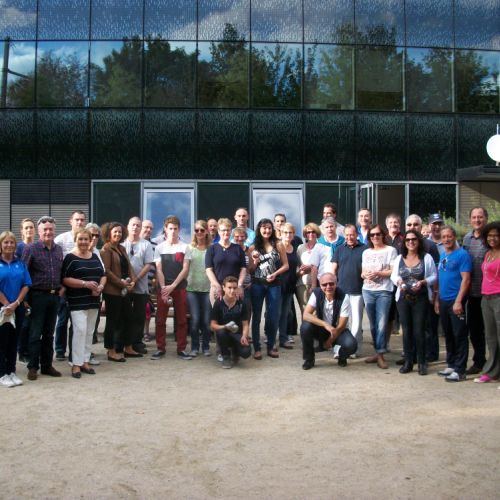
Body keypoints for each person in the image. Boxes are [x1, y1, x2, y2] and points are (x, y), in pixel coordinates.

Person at [21, 216, 64, 380]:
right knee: (35, 333)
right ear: (39, 232)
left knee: (49, 333)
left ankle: (47, 366)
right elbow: (24, 273)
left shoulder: (59, 249)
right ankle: (33, 366)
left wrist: (61, 288)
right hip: (37, 296)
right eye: (45, 229)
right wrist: (25, 299)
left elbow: (61, 271)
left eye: (50, 229)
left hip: (54, 297)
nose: (48, 232)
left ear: (54, 231)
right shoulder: (31, 249)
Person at [390, 230, 436, 375]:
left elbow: (434, 276)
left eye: (414, 239)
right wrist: (399, 281)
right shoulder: (399, 258)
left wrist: (423, 282)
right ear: (404, 242)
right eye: (408, 240)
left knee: (419, 330)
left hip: (420, 298)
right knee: (407, 331)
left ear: (418, 241)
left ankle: (422, 362)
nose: (411, 242)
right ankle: (408, 361)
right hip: (403, 298)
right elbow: (393, 276)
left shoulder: (426, 257)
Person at [62, 229, 106, 379]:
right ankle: (76, 363)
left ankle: (85, 361)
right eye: (80, 239)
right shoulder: (70, 258)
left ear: (90, 240)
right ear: (75, 240)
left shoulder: (95, 256)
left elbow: (103, 275)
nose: (83, 242)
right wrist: (85, 284)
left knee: (89, 332)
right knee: (79, 331)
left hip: (94, 300)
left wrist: (101, 286)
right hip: (77, 301)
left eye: (86, 239)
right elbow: (65, 279)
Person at [151, 215, 192, 361]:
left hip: (180, 288)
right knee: (160, 320)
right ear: (165, 229)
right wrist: (164, 288)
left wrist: (173, 285)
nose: (173, 231)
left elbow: (185, 269)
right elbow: (159, 269)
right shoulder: (159, 248)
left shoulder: (185, 247)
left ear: (179, 229)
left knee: (182, 320)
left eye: (175, 228)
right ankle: (160, 348)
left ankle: (181, 349)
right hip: (163, 288)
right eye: (170, 228)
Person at [434, 226, 471, 383]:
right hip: (443, 300)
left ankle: (460, 370)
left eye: (449, 236)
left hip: (456, 301)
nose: (446, 239)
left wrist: (458, 301)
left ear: (454, 237)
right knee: (448, 334)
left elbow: (466, 279)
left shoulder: (462, 255)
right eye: (444, 237)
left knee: (459, 335)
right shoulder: (443, 254)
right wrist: (437, 300)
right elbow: (441, 279)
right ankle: (451, 364)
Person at [248, 218, 289, 360]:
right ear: (259, 229)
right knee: (256, 317)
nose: (267, 230)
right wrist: (255, 262)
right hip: (257, 284)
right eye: (264, 228)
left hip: (275, 284)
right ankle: (257, 348)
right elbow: (250, 270)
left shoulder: (279, 244)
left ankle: (271, 346)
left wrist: (275, 274)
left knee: (273, 316)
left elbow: (286, 265)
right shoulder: (253, 247)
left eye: (269, 228)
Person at [300, 272, 357, 370]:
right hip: (322, 329)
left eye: (331, 284)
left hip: (338, 330)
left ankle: (342, 355)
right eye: (324, 284)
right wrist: (325, 324)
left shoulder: (344, 297)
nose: (328, 287)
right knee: (305, 327)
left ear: (336, 283)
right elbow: (305, 315)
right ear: (320, 285)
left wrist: (329, 342)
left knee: (351, 345)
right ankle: (309, 359)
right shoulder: (316, 294)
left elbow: (342, 325)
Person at [100, 222, 139, 362]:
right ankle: (111, 351)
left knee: (129, 318)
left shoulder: (121, 248)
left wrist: (133, 281)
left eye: (120, 232)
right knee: (113, 321)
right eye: (115, 232)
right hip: (112, 291)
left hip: (124, 290)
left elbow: (129, 267)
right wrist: (120, 282)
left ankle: (127, 348)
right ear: (108, 233)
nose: (118, 234)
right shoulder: (106, 249)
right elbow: (106, 271)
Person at [405, 214, 440, 362]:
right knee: (412, 326)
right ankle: (412, 354)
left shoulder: (430, 245)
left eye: (415, 224)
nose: (412, 227)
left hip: (426, 293)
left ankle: (430, 354)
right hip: (408, 295)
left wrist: (435, 294)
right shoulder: (404, 244)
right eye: (409, 225)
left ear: (421, 226)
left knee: (428, 325)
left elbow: (436, 271)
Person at [361, 224, 397, 369]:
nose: (375, 237)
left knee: (382, 323)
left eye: (377, 234)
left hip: (384, 291)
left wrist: (378, 273)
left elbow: (393, 271)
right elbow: (362, 272)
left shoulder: (390, 250)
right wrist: (365, 275)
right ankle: (377, 352)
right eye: (372, 235)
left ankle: (380, 355)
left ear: (383, 235)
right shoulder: (366, 252)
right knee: (373, 324)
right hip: (368, 290)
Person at [54, 210, 87, 362]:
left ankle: (75, 351)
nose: (79, 222)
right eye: (77, 219)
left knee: (77, 322)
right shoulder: (61, 239)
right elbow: (55, 262)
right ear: (70, 221)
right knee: (62, 319)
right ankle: (60, 350)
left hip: (80, 286)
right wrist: (60, 285)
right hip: (63, 285)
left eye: (82, 220)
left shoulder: (86, 238)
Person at [0, 231, 31, 387]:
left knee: (14, 340)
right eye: (6, 242)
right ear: (0, 245)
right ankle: (2, 373)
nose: (9, 245)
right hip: (2, 308)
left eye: (12, 242)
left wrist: (17, 302)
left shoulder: (20, 263)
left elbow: (26, 284)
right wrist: (7, 304)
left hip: (17, 307)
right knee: (2, 341)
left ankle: (11, 371)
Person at [331, 224, 366, 357]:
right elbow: (333, 269)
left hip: (358, 290)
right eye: (347, 235)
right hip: (341, 291)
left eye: (352, 234)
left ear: (357, 234)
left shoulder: (365, 249)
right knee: (340, 322)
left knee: (356, 322)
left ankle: (354, 349)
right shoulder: (339, 249)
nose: (349, 237)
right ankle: (338, 349)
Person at [462, 207, 488, 375]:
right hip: (472, 292)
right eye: (474, 217)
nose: (477, 220)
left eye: (480, 217)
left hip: (490, 293)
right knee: (475, 331)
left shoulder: (491, 238)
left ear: (486, 218)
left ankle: (495, 364)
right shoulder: (467, 239)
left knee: (492, 331)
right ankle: (479, 362)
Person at [123, 216, 154, 355]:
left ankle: (137, 343)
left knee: (139, 316)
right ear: (128, 226)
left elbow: (148, 265)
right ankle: (124, 343)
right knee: (125, 315)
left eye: (138, 225)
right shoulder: (122, 244)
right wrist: (127, 282)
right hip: (124, 286)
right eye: (133, 225)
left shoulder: (146, 245)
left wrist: (135, 279)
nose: (135, 227)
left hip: (141, 287)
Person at [474, 221, 500, 385]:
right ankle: (492, 371)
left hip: (499, 298)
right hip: (486, 298)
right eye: (490, 235)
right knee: (491, 337)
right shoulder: (488, 253)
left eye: (496, 235)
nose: (493, 238)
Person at [210, 276, 251, 369]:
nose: (232, 291)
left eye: (234, 288)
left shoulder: (242, 304)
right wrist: (225, 326)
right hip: (224, 333)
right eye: (229, 288)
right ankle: (226, 356)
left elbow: (245, 324)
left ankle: (235, 352)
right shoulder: (218, 303)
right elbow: (212, 325)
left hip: (237, 334)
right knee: (221, 332)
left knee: (246, 352)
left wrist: (244, 336)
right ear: (223, 288)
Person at [205, 218, 246, 306]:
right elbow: (209, 270)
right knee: (217, 314)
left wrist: (239, 285)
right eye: (223, 230)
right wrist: (217, 285)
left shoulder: (238, 248)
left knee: (235, 314)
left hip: (234, 289)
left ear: (231, 231)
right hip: (217, 288)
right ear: (218, 231)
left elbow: (243, 269)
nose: (226, 232)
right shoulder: (212, 249)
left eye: (228, 230)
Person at [186, 220, 212, 357]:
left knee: (207, 321)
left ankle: (206, 347)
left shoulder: (212, 248)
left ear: (207, 231)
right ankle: (195, 347)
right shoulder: (189, 248)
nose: (199, 232)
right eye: (197, 230)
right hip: (192, 289)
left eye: (202, 230)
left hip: (208, 289)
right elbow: (185, 268)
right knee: (195, 320)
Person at [14, 218, 35, 363]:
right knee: (24, 324)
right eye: (26, 227)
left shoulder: (37, 246)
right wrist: (24, 298)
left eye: (31, 227)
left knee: (33, 323)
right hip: (23, 291)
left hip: (36, 291)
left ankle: (30, 350)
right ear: (21, 230)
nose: (29, 230)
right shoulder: (19, 248)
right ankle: (22, 352)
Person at [277, 222, 298, 350]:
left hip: (290, 285)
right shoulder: (277, 247)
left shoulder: (294, 248)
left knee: (285, 313)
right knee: (276, 312)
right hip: (278, 285)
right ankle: (271, 337)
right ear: (280, 233)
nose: (288, 235)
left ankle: (283, 339)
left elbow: (294, 268)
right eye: (285, 232)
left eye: (290, 232)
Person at [296, 223, 322, 314]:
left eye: (313, 232)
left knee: (316, 312)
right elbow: (297, 265)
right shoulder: (300, 248)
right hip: (302, 283)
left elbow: (323, 265)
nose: (310, 234)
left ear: (317, 233)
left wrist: (311, 267)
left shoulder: (321, 247)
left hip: (318, 283)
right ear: (305, 234)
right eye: (308, 232)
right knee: (304, 311)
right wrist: (300, 271)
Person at [140, 219, 156, 342]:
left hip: (148, 285)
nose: (148, 230)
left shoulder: (155, 246)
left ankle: (145, 332)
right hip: (134, 283)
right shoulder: (134, 243)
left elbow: (157, 266)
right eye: (146, 227)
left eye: (151, 228)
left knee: (146, 307)